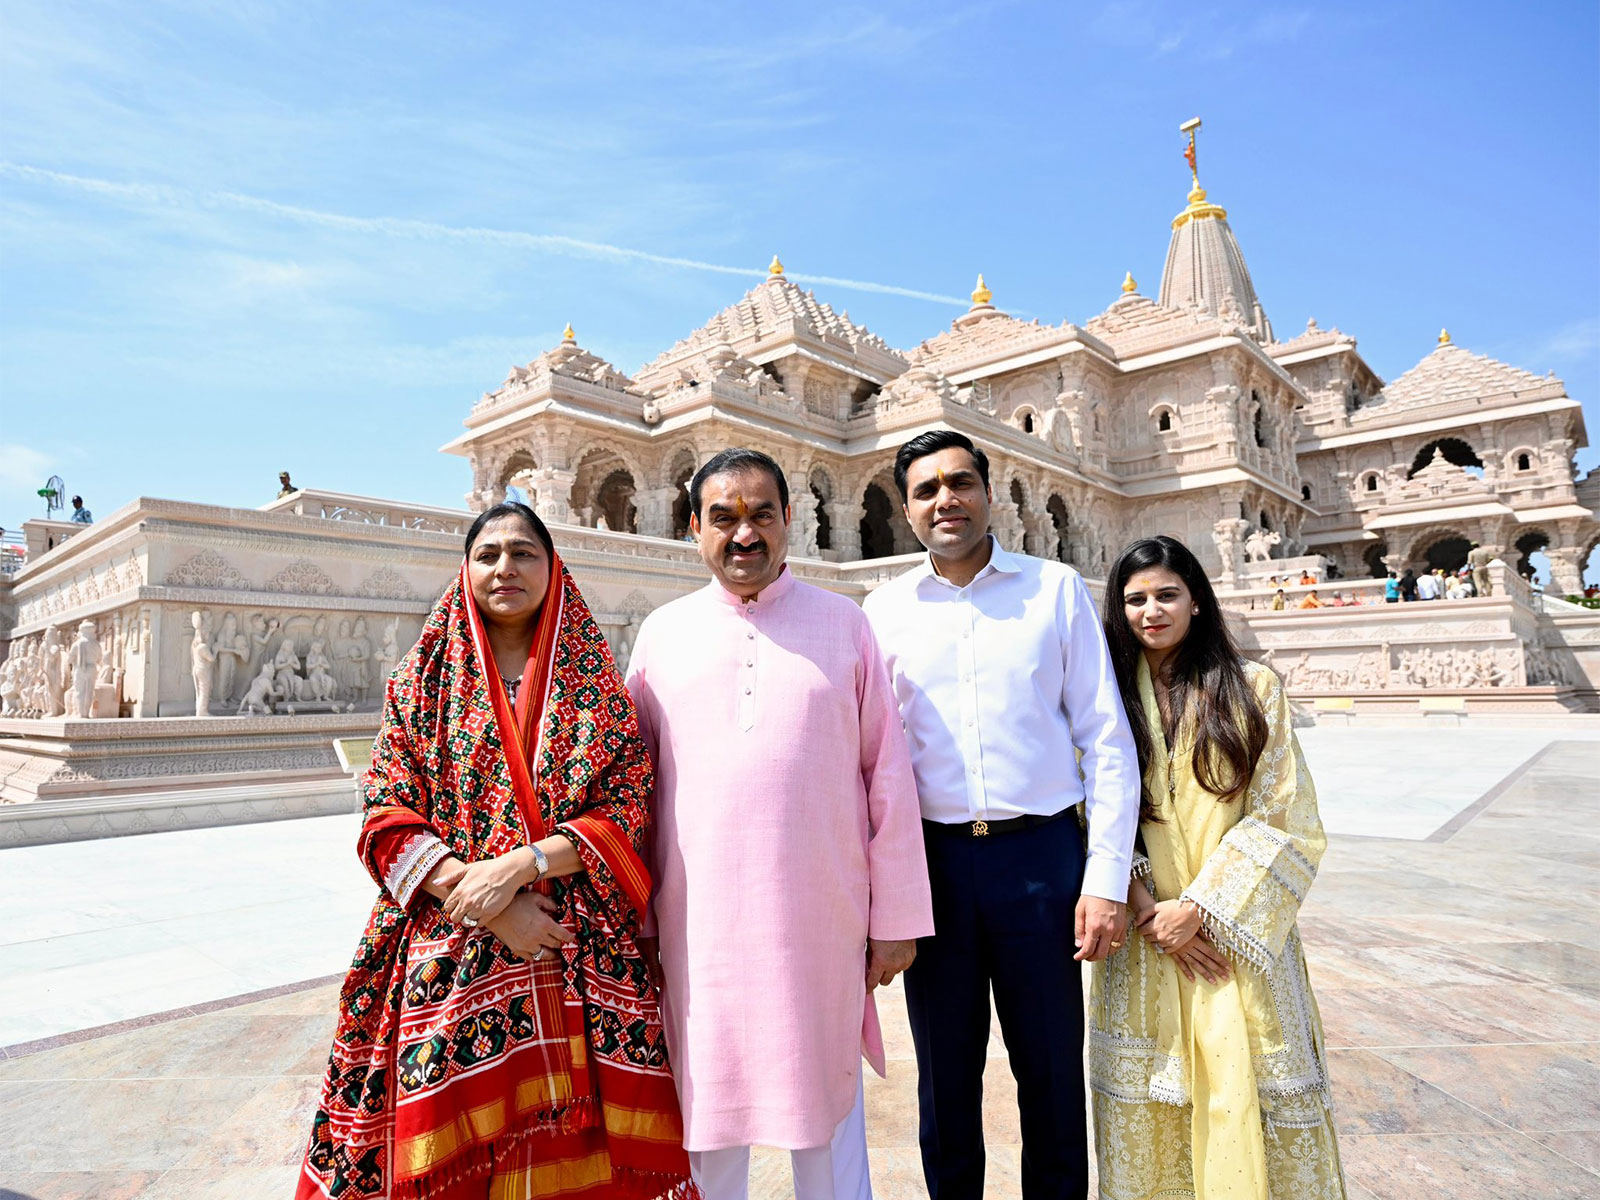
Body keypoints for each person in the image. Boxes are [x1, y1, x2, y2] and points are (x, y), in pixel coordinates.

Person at [297, 502, 692, 1200]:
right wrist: (485, 904)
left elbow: (627, 805)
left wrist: (522, 866)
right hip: (448, 940)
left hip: (574, 946)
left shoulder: (598, 689)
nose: (505, 567)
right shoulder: (420, 684)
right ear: (466, 569)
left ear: (553, 570)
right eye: (488, 554)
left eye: (523, 553)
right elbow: (386, 813)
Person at [626, 448, 933, 1200]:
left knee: (824, 1110)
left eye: (762, 514)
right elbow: (631, 790)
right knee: (706, 1113)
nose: (744, 533)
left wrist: (895, 917)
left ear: (791, 519)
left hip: (818, 923)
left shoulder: (845, 624)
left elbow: (886, 778)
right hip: (698, 929)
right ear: (693, 528)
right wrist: (633, 919)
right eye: (723, 518)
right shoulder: (662, 635)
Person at [862, 430, 1140, 1200]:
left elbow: (1107, 739)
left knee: (1050, 1070)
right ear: (909, 508)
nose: (945, 499)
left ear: (988, 490)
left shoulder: (1052, 590)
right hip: (935, 866)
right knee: (945, 1080)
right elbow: (871, 762)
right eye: (925, 490)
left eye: (960, 482)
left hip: (1041, 861)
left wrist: (1105, 879)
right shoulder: (883, 611)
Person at [1091, 535, 1347, 1200]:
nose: (1152, 610)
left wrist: (1198, 909)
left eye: (1167, 594)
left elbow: (1284, 815)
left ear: (1197, 601)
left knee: (1259, 1096)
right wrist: (1149, 908)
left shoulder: (1253, 688)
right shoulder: (1106, 700)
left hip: (1235, 942)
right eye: (1136, 598)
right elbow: (1091, 808)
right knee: (1156, 1111)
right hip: (1144, 939)